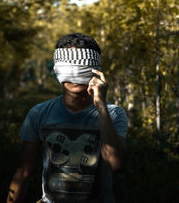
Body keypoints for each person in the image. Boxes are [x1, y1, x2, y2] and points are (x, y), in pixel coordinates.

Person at [7, 33, 128, 203]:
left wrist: (100, 105)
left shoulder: (114, 113)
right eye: (67, 65)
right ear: (57, 68)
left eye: (82, 66)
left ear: (96, 69)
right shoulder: (39, 113)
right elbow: (22, 173)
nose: (74, 73)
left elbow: (116, 165)